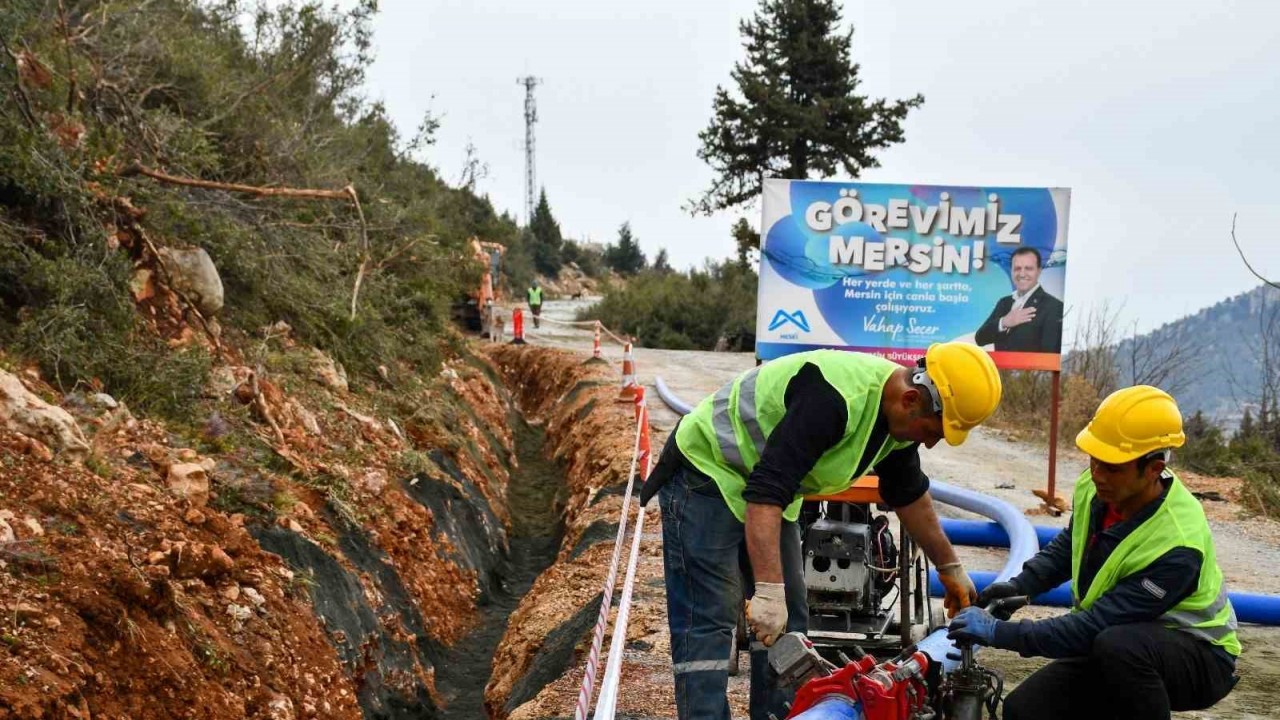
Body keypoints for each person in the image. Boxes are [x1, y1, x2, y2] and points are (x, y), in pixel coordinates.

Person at [640, 342, 1003, 720]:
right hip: (707, 473)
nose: (931, 441)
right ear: (911, 399)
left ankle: (784, 716)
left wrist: (950, 569)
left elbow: (908, 493)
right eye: (933, 430)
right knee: (709, 620)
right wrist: (766, 591)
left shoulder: (895, 417)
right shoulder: (833, 400)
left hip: (767, 490)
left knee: (790, 619)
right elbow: (765, 494)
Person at [948, 385, 1239, 720]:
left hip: (1198, 656)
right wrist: (1019, 586)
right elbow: (1071, 546)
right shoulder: (1099, 485)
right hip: (1119, 641)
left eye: (1112, 467)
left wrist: (1000, 633)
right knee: (1024, 710)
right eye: (1094, 461)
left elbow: (1092, 626)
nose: (1097, 474)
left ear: (1154, 469)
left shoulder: (1178, 543)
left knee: (1120, 647)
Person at [974, 246, 1063, 353]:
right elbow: (979, 338)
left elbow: (1050, 355)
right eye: (1017, 268)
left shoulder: (1054, 306)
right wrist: (1004, 322)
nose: (1022, 274)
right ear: (1011, 271)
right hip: (1000, 369)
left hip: (1029, 370)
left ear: (1039, 271)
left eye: (1028, 268)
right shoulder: (1004, 303)